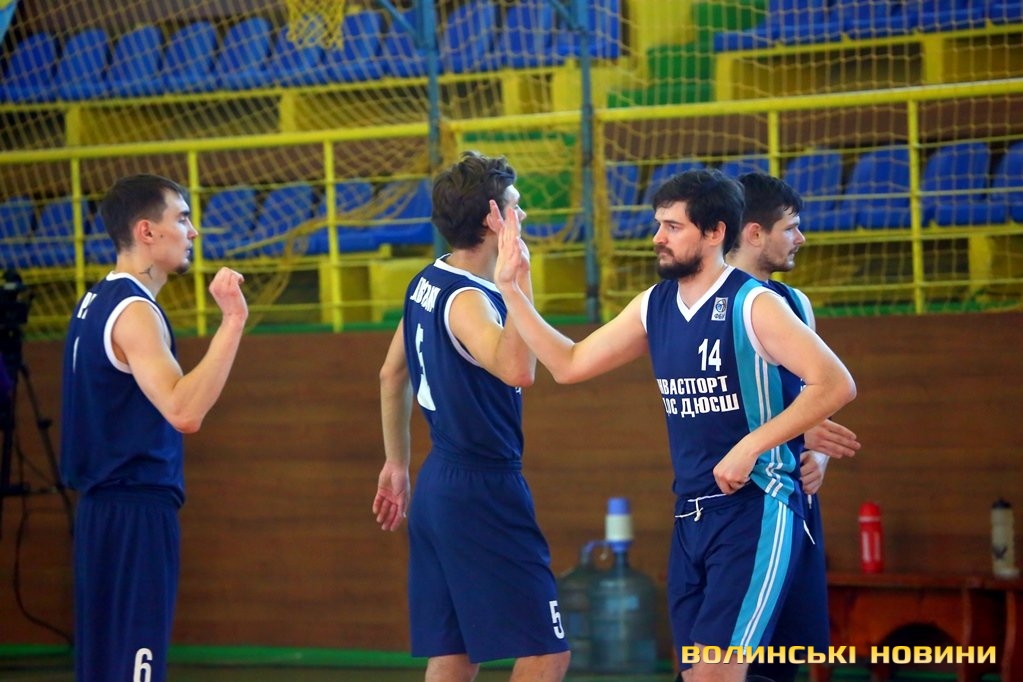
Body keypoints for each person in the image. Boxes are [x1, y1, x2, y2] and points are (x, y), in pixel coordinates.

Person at [493, 168, 857, 682]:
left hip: (755, 507)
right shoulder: (654, 304)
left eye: (672, 226)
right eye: (658, 224)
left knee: (717, 673)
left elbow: (836, 384)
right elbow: (569, 364)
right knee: (695, 674)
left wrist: (752, 446)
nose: (657, 238)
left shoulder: (755, 303)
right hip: (690, 513)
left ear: (715, 233)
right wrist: (511, 289)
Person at [372, 151, 571, 682]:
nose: (522, 216)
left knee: (455, 655)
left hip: (439, 481)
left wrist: (397, 462)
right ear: (492, 219)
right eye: (515, 206)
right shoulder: (469, 301)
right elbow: (517, 369)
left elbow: (392, 374)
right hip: (482, 487)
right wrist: (518, 280)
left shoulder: (427, 280)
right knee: (546, 650)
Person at [60, 174, 248, 682]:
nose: (193, 232)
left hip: (101, 512)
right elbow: (184, 411)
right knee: (135, 667)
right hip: (133, 511)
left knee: (105, 667)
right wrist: (232, 322)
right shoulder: (135, 311)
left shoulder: (95, 300)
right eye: (182, 219)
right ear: (146, 231)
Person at [729, 171, 861, 682]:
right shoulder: (710, 305)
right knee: (727, 657)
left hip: (794, 496)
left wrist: (819, 453)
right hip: (740, 497)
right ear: (754, 232)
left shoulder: (796, 303)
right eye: (790, 227)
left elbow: (817, 397)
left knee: (786, 654)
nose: (801, 238)